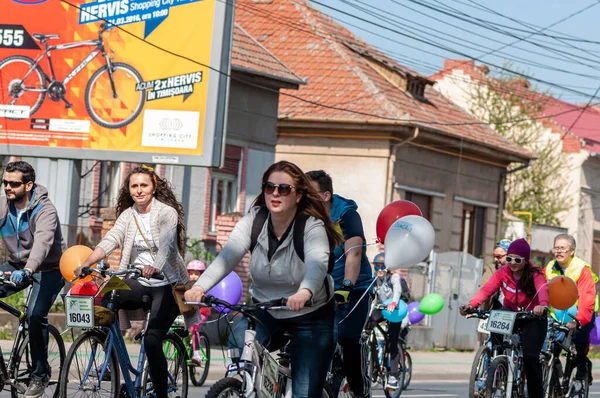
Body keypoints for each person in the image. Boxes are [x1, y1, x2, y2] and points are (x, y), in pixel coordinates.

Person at [185, 160, 342, 398]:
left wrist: (305, 292)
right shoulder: (254, 220)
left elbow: (317, 264)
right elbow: (227, 258)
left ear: (298, 196)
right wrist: (199, 286)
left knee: (304, 391)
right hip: (267, 308)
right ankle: (253, 388)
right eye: (270, 187)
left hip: (311, 314)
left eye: (284, 189)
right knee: (239, 340)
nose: (275, 193)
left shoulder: (312, 227)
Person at [76, 165, 199, 398]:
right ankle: (108, 349)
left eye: (144, 185)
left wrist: (156, 267)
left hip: (167, 285)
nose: (139, 190)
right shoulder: (128, 215)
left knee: (153, 341)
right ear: (129, 189)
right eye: (134, 186)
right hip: (137, 280)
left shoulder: (166, 213)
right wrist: (88, 262)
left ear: (153, 188)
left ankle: (161, 394)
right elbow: (111, 239)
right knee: (108, 295)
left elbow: (167, 245)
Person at [305, 169, 374, 398]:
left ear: (325, 196)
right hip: (318, 286)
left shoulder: (345, 214)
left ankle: (359, 386)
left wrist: (346, 285)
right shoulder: (301, 215)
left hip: (355, 287)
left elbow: (353, 254)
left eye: (309, 192)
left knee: (346, 336)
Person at [0, 161, 66, 398]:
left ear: (28, 185)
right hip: (17, 265)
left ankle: (40, 375)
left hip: (49, 268)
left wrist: (29, 269)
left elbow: (43, 243)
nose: (8, 187)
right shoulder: (4, 205)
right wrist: (22, 267)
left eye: (13, 183)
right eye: (5, 182)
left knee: (35, 315)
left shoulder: (45, 209)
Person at [460, 238, 548, 398]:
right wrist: (472, 305)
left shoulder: (535, 274)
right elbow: (487, 290)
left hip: (533, 316)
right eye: (509, 259)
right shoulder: (503, 272)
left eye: (517, 259)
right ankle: (498, 368)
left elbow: (543, 290)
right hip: (512, 313)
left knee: (530, 358)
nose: (512, 263)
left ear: (526, 260)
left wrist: (542, 305)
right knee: (497, 321)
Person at [545, 234, 598, 382]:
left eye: (563, 248)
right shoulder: (549, 268)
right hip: (558, 313)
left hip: (582, 312)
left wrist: (579, 320)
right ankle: (554, 375)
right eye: (556, 248)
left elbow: (586, 298)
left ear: (572, 251)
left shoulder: (582, 270)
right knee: (551, 346)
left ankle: (582, 366)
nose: (558, 251)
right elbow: (541, 290)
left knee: (579, 341)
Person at [368, 253, 409, 389]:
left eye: (383, 267)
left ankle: (393, 376)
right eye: (377, 267)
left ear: (388, 267)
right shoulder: (374, 279)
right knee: (367, 328)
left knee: (392, 341)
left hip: (395, 310)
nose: (380, 270)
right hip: (382, 308)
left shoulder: (394, 277)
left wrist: (394, 302)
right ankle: (371, 361)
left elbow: (397, 291)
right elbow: (372, 298)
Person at [186, 260, 211, 364]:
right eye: (191, 274)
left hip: (202, 312)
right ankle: (185, 346)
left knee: (194, 326)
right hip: (189, 312)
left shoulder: (203, 287)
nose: (193, 276)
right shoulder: (187, 285)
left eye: (196, 274)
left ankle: (197, 354)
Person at [479, 239, 510, 311]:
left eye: (499, 256)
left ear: (509, 256)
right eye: (494, 256)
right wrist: (473, 305)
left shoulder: (517, 271)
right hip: (492, 312)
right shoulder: (492, 268)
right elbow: (483, 288)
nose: (495, 259)